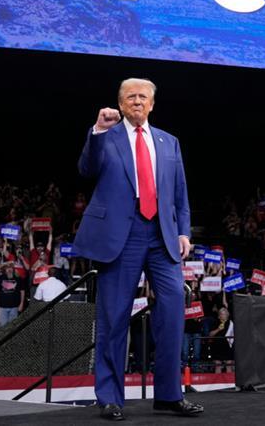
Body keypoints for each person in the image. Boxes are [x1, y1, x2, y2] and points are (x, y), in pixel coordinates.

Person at [73, 78, 203, 420]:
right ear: (119, 102)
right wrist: (97, 131)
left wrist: (184, 232)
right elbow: (86, 169)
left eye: (143, 97)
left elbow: (180, 194)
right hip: (121, 236)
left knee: (174, 309)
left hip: (162, 236)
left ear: (152, 104)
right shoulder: (107, 136)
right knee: (114, 319)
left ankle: (169, 395)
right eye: (130, 96)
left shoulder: (169, 141)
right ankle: (111, 398)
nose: (137, 101)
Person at [0, 262, 24, 327]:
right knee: (2, 328)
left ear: (13, 269)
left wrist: (21, 304)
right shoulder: (1, 278)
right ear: (5, 270)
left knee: (13, 328)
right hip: (2, 307)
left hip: (14, 307)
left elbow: (22, 291)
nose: (9, 270)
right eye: (7, 268)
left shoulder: (17, 278)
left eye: (11, 268)